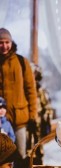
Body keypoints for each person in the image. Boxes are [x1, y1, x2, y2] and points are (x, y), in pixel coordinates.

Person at [0, 28, 38, 159]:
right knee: (3, 157)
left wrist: (33, 116)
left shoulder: (22, 62)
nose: (4, 46)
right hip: (1, 120)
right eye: (1, 42)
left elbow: (31, 91)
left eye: (7, 42)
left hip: (20, 118)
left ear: (11, 43)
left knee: (21, 156)